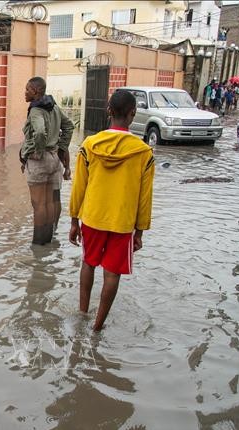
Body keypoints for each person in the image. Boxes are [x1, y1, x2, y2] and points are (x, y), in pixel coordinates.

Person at [68, 90, 154, 331]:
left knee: (88, 263)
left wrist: (74, 220)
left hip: (93, 218)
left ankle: (82, 313)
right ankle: (97, 326)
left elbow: (78, 187)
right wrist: (140, 231)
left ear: (108, 111)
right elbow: (145, 197)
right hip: (122, 222)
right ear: (133, 114)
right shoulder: (144, 152)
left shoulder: (89, 145)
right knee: (112, 274)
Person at [20, 77, 74, 245]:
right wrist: (61, 147)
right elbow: (69, 126)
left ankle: (38, 246)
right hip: (54, 158)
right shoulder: (54, 107)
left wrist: (35, 150)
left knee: (39, 205)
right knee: (50, 202)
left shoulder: (36, 111)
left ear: (35, 92)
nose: (25, 92)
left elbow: (40, 132)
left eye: (27, 89)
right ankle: (50, 240)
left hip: (40, 160)